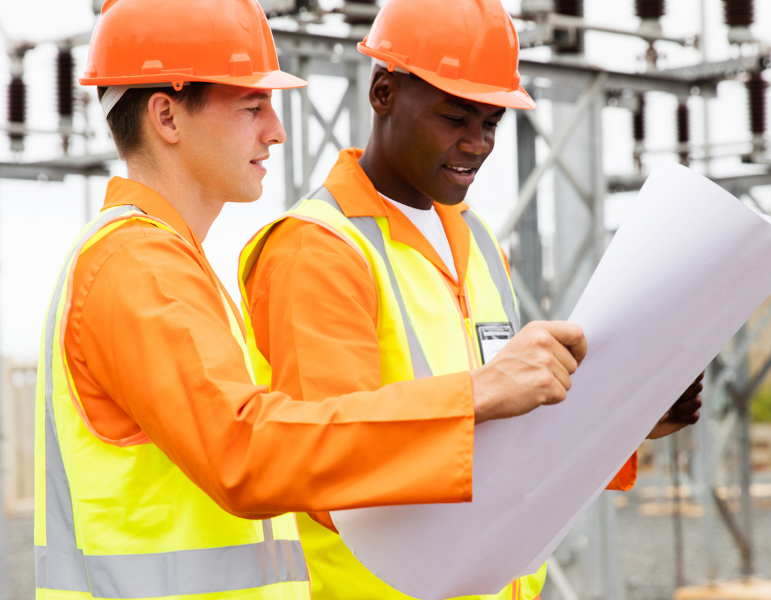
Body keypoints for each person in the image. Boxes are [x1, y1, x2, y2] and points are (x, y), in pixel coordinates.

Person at [35, 1, 591, 598]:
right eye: (253, 106)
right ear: (167, 116)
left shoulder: (170, 263)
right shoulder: (136, 264)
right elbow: (246, 452)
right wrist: (477, 394)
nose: (276, 129)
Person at [237, 0, 703, 598]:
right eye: (455, 118)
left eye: (490, 123)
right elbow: (330, 470)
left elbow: (501, 437)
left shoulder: (477, 240)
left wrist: (625, 424)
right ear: (383, 93)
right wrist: (479, 398)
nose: (478, 143)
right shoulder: (319, 250)